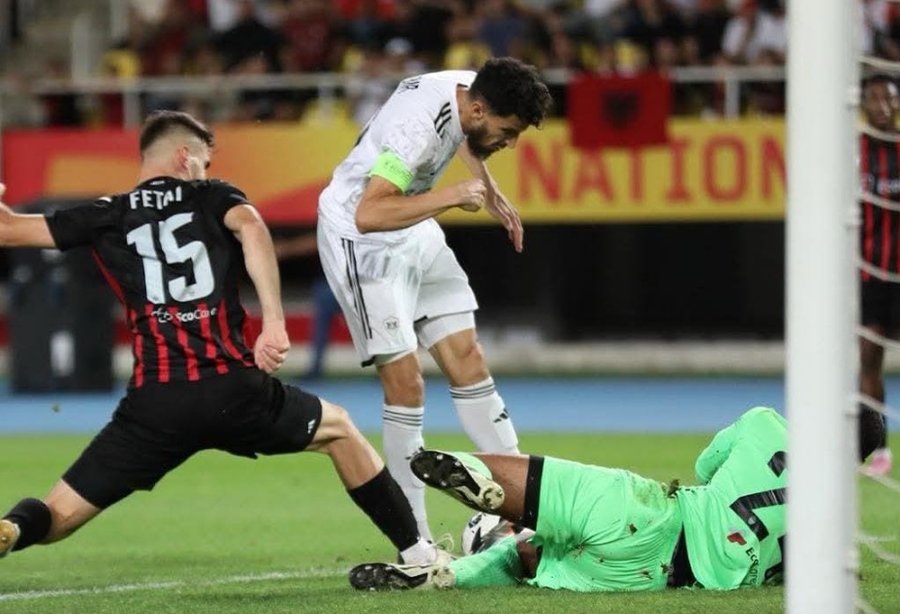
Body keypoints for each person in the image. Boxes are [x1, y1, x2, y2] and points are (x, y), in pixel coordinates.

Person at [0, 110, 446, 568]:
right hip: (233, 391)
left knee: (58, 516)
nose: (207, 171)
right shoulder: (212, 196)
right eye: (205, 162)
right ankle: (419, 552)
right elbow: (251, 226)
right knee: (341, 431)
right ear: (184, 157)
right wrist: (273, 321)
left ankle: (12, 527)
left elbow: (9, 229)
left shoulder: (106, 214)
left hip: (154, 406)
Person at [316, 56, 553, 541]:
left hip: (412, 229)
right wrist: (452, 196)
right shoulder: (413, 131)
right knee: (407, 386)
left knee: (469, 356)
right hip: (363, 244)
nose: (509, 143)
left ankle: (518, 511)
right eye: (508, 132)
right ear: (482, 109)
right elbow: (369, 212)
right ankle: (417, 541)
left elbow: (466, 137)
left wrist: (488, 189)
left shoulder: (468, 89)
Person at [349, 406, 788, 592]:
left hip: (659, 518)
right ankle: (455, 571)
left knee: (552, 497)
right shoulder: (827, 524)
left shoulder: (765, 421)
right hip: (653, 579)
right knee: (528, 556)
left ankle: (482, 482)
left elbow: (704, 467)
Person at [859, 73, 899, 476]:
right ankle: (879, 450)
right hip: (869, 273)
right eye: (875, 98)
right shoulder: (853, 152)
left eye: (889, 98)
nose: (882, 106)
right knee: (869, 359)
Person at [272, 232, 342, 379]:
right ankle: (315, 368)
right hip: (334, 283)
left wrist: (286, 248)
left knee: (324, 327)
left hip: (344, 284)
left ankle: (315, 369)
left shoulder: (339, 225)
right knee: (323, 328)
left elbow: (313, 242)